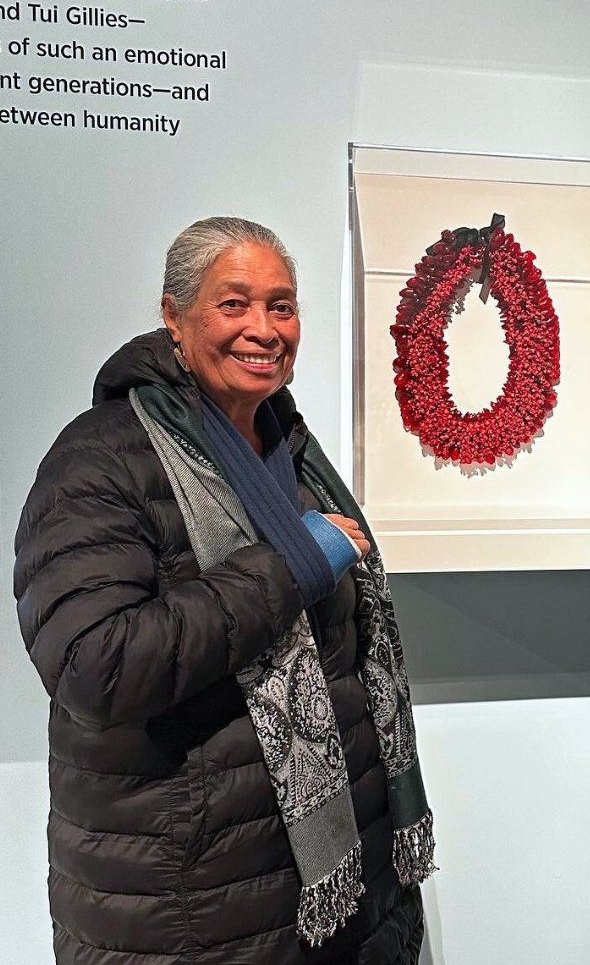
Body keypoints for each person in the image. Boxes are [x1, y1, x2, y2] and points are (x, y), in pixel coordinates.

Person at [15, 217, 434, 965]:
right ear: (174, 317)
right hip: (191, 902)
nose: (264, 330)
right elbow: (96, 665)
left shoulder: (289, 446)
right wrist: (292, 563)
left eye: (282, 305)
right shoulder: (100, 459)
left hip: (329, 888)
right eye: (233, 304)